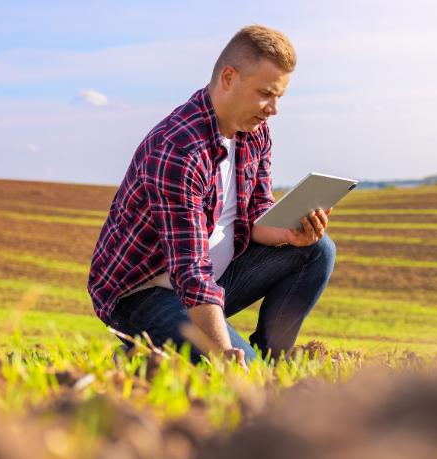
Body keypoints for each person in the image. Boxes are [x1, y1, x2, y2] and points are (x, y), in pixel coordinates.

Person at [87, 25, 336, 370]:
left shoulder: (255, 132)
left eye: (279, 96)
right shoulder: (177, 151)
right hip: (143, 294)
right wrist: (221, 351)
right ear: (229, 78)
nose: (273, 109)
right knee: (236, 374)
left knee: (317, 249)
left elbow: (256, 211)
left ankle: (270, 361)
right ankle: (141, 350)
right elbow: (189, 270)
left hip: (212, 282)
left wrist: (286, 233)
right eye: (265, 93)